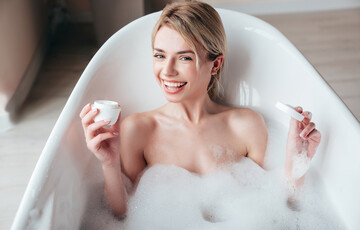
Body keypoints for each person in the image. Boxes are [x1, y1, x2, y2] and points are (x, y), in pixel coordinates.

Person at [79, 0, 321, 217]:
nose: (167, 71)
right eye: (160, 56)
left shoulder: (246, 126)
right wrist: (109, 163)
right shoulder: (139, 129)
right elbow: (124, 217)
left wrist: (296, 159)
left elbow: (276, 208)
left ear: (215, 64)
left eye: (184, 57)